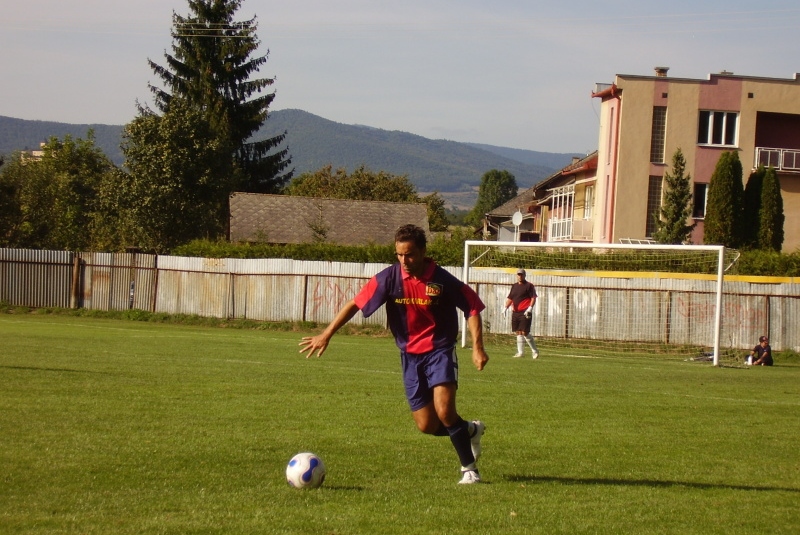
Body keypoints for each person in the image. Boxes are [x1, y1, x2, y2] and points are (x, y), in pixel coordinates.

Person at [299, 224, 490, 484]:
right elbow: (355, 303)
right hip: (410, 357)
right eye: (399, 255)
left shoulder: (441, 279)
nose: (404, 260)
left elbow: (472, 306)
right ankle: (470, 430)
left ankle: (469, 470)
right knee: (427, 425)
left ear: (423, 252)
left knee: (445, 412)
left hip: (439, 351)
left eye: (409, 254)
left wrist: (478, 348)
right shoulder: (389, 278)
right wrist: (326, 333)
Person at [504, 268, 539, 359]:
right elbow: (510, 298)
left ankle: (534, 351)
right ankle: (520, 352)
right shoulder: (514, 286)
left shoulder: (529, 286)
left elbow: (533, 298)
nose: (520, 276)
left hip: (525, 312)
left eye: (521, 274)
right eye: (518, 274)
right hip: (515, 312)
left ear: (524, 275)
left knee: (525, 332)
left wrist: (530, 308)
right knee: (518, 332)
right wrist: (505, 308)